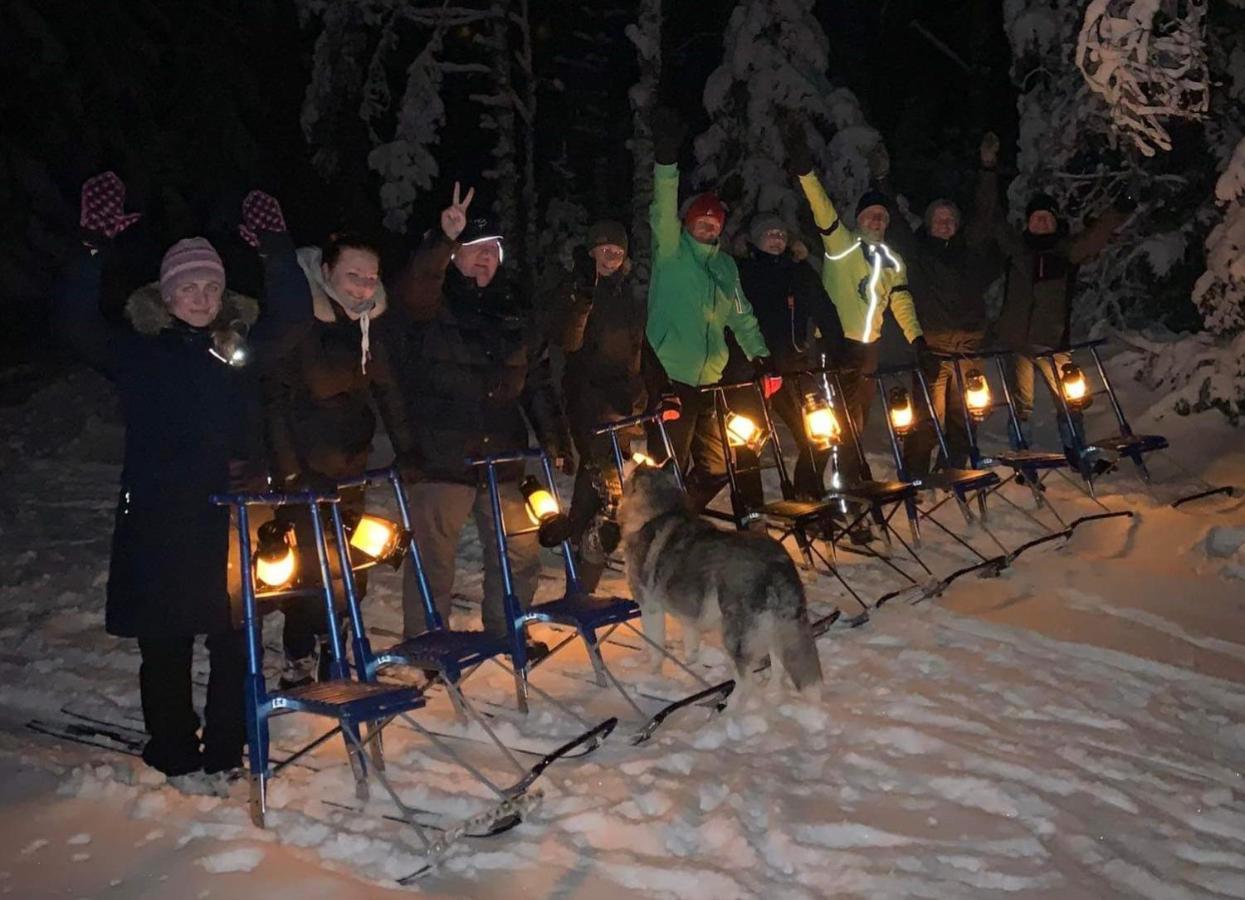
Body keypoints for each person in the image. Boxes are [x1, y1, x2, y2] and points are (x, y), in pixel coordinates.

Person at [54, 173, 311, 791]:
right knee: (165, 645)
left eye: (211, 286)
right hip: (160, 520)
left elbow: (295, 320)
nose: (200, 296)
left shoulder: (239, 348)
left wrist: (277, 253)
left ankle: (226, 751)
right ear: (165, 295)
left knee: (232, 640)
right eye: (188, 287)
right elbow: (72, 322)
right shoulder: (137, 352)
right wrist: (90, 250)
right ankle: (174, 752)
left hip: (227, 519)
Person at [390, 183, 571, 645]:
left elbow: (536, 379)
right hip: (442, 453)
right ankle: (429, 645)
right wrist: (443, 238)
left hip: (502, 453)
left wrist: (554, 437)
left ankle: (507, 630)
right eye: (474, 249)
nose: (485, 258)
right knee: (435, 559)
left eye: (493, 250)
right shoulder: (431, 304)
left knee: (519, 552)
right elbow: (415, 288)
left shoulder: (514, 309)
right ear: (455, 256)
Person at [263, 233, 417, 688]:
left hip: (351, 466)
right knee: (309, 569)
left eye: (371, 278)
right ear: (326, 271)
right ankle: (299, 655)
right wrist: (291, 471)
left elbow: (386, 388)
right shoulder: (298, 320)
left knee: (355, 562)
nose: (364, 287)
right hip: (304, 468)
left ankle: (337, 645)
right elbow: (273, 398)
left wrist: (408, 447)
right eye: (353, 275)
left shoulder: (367, 323)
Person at [645, 106, 776, 513]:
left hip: (711, 380)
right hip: (671, 377)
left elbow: (741, 314)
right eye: (702, 222)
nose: (710, 227)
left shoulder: (724, 265)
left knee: (719, 464)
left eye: (716, 223)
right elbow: (662, 210)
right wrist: (666, 162)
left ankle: (680, 517)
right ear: (688, 224)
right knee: (667, 466)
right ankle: (654, 533)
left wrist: (761, 356)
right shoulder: (671, 253)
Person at [974, 133, 1130, 469]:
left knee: (1069, 400)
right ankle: (1022, 457)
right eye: (1035, 217)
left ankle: (1078, 454)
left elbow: (1096, 236)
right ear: (1028, 222)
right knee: (1021, 405)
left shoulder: (1066, 251)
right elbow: (991, 216)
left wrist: (1122, 207)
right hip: (1015, 341)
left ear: (1055, 221)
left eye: (1046, 217)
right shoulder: (1018, 250)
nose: (1041, 221)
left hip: (1052, 342)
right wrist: (988, 169)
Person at [787, 126, 928, 484]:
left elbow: (902, 302)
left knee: (854, 423)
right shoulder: (842, 245)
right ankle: (817, 486)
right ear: (859, 219)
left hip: (867, 350)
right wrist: (806, 173)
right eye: (870, 215)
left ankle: (846, 487)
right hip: (832, 345)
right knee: (829, 421)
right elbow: (822, 209)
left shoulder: (892, 260)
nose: (877, 220)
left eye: (882, 216)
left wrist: (917, 341)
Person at [544, 220, 664, 590]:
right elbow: (569, 340)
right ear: (591, 251)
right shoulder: (576, 289)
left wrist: (662, 391)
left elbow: (641, 351)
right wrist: (582, 298)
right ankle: (582, 577)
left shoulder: (626, 297)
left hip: (625, 406)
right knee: (604, 485)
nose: (611, 258)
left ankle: (579, 552)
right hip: (589, 403)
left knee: (600, 489)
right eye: (604, 250)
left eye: (618, 252)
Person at [868, 138, 996, 476]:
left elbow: (985, 214)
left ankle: (953, 469)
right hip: (933, 347)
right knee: (927, 416)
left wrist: (988, 170)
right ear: (928, 223)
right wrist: (881, 180)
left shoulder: (969, 251)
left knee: (965, 414)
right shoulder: (918, 252)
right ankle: (915, 474)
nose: (944, 223)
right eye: (938, 219)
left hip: (969, 345)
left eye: (949, 219)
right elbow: (893, 221)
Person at [728, 213, 845, 499]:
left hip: (794, 366)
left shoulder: (800, 272)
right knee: (747, 443)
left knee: (822, 433)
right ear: (756, 239)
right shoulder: (740, 273)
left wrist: (839, 348)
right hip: (751, 370)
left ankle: (806, 494)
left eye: (781, 235)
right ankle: (752, 512)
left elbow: (825, 311)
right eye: (770, 234)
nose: (777, 240)